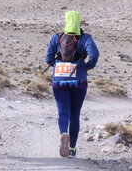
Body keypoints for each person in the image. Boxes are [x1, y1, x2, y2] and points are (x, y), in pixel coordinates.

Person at [45, 11, 99, 158]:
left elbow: (48, 59)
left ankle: (64, 133)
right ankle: (73, 149)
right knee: (75, 115)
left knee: (63, 113)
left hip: (59, 81)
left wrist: (57, 64)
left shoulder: (56, 37)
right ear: (79, 22)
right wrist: (87, 66)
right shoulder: (85, 38)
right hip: (79, 81)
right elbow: (94, 55)